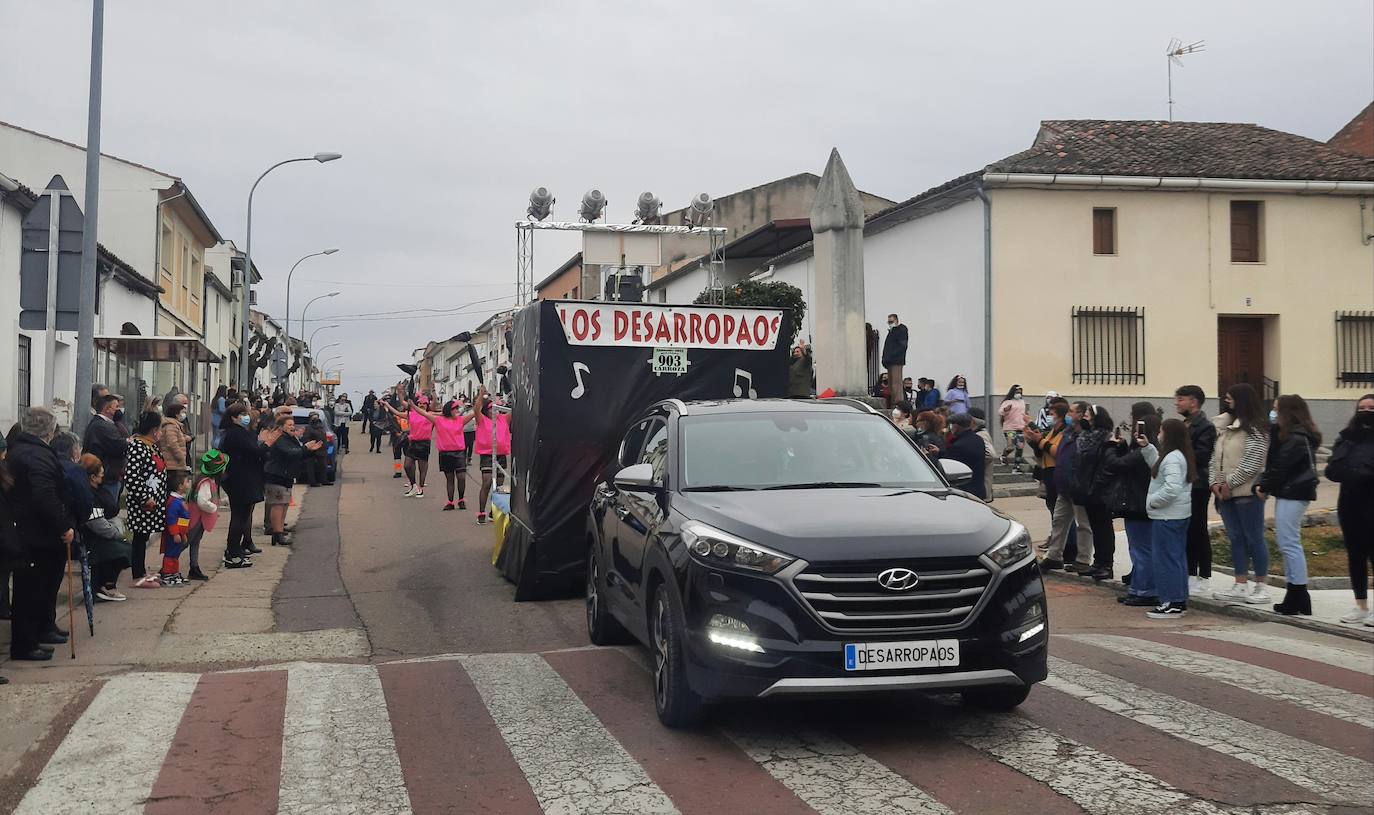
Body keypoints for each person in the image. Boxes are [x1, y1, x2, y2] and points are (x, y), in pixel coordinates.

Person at [6, 407, 76, 661]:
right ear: (49, 431)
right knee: (30, 590)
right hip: (34, 533)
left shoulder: (31, 451)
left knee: (45, 585)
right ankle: (25, 644)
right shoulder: (34, 455)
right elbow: (44, 495)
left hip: (38, 532)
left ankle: (44, 628)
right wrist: (63, 526)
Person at [1256, 394, 1321, 616]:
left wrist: (1263, 485)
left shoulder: (1295, 438)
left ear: (1287, 412)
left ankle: (1298, 593)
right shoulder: (1293, 435)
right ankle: (1297, 595)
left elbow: (1280, 466)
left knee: (1290, 544)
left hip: (1293, 492)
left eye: (1276, 409)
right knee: (1289, 543)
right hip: (1292, 492)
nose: (1272, 413)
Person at [1210, 383, 1271, 605]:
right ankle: (1240, 584)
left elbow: (1253, 462)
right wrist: (1214, 483)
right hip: (1224, 494)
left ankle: (1262, 586)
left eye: (1229, 398)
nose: (1226, 401)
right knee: (1236, 539)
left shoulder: (1256, 428)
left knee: (1254, 539)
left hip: (1246, 493)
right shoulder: (1225, 427)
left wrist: (1229, 483)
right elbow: (1214, 458)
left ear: (1242, 400)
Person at [1101, 403, 1162, 605]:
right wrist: (1122, 447)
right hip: (1141, 503)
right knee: (1140, 548)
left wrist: (1111, 447)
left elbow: (1117, 464)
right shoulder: (1148, 450)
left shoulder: (1146, 451)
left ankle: (1146, 591)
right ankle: (1139, 587)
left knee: (1141, 549)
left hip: (1138, 504)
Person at [1139, 418, 1198, 619]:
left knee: (1166, 560)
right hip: (1176, 515)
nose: (1158, 434)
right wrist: (1147, 448)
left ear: (1169, 434)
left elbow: (1171, 487)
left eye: (1162, 431)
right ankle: (1178, 600)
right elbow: (1160, 468)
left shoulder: (1173, 457)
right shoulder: (1176, 455)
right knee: (1176, 558)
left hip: (1167, 517)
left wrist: (1153, 502)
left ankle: (1172, 601)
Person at [1326, 394, 1374, 626]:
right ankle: (1361, 605)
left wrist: (1359, 472)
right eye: (1362, 407)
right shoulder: (1347, 437)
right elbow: (1332, 469)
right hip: (1349, 503)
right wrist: (1354, 472)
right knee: (1355, 556)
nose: (1366, 411)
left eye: (1371, 407)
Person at [1174, 385, 1218, 597]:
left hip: (1198, 484)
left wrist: (1178, 448)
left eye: (1181, 399)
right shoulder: (1185, 424)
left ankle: (1205, 575)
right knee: (1187, 530)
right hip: (1184, 483)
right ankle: (1190, 573)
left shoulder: (1205, 427)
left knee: (1198, 529)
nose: (1177, 403)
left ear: (1193, 401)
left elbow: (1202, 455)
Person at [1068, 404, 1118, 581]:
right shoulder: (1084, 436)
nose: (1085, 417)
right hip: (1085, 489)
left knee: (1104, 528)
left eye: (1088, 414)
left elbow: (1108, 466)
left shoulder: (1107, 438)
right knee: (1095, 527)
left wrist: (1097, 484)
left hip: (1100, 490)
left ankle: (1106, 564)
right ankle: (1098, 563)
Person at [1027, 399, 1078, 568]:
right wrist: (1034, 442)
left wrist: (1040, 441)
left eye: (1052, 413)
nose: (1049, 416)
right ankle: (1056, 552)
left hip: (1058, 473)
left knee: (1064, 517)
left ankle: (1070, 551)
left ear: (1061, 415)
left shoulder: (1066, 432)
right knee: (1056, 516)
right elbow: (1044, 450)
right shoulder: (1052, 431)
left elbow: (1057, 451)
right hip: (1048, 473)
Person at [217, 402, 265, 568]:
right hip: (239, 480)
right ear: (233, 418)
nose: (246, 417)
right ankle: (233, 552)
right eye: (242, 415)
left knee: (241, 516)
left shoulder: (238, 432)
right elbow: (254, 450)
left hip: (240, 479)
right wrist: (266, 444)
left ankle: (235, 550)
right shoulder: (235, 434)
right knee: (239, 517)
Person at [125, 411, 169, 589]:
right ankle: (138, 575)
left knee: (143, 537)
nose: (161, 432)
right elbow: (132, 476)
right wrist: (145, 497)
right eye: (160, 428)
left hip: (153, 501)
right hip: (143, 503)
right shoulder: (137, 446)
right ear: (153, 429)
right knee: (139, 537)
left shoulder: (150, 445)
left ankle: (142, 572)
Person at [263, 414, 320, 546]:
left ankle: (280, 529)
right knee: (278, 504)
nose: (292, 427)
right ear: (281, 427)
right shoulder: (281, 439)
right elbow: (291, 453)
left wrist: (309, 451)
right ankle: (276, 533)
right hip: (276, 475)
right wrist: (306, 448)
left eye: (293, 425)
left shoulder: (291, 438)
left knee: (284, 503)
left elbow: (298, 454)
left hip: (286, 475)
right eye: (289, 425)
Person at [78, 454, 130, 601]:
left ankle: (106, 585)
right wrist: (117, 534)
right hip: (94, 536)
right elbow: (96, 523)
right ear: (92, 477)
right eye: (100, 474)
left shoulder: (99, 489)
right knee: (121, 550)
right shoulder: (89, 494)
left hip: (104, 531)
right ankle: (105, 586)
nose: (103, 476)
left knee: (123, 547)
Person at [410, 398, 470, 511]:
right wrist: (413, 405)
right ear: (449, 410)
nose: (457, 410)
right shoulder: (438, 420)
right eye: (455, 408)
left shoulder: (461, 420)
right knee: (450, 479)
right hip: (445, 454)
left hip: (459, 453)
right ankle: (450, 501)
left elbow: (475, 413)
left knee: (461, 477)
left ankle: (461, 499)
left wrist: (481, 399)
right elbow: (423, 413)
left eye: (458, 408)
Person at [185, 450, 228, 582]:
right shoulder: (205, 483)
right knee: (186, 542)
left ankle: (194, 567)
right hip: (196, 518)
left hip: (199, 518)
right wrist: (213, 508)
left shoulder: (205, 479)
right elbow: (202, 502)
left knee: (194, 542)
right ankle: (168, 567)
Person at [83, 392, 128, 505]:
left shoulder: (102, 424)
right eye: (116, 407)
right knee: (109, 508)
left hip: (107, 474)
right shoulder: (102, 426)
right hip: (107, 476)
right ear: (107, 409)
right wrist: (128, 442)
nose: (119, 410)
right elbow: (118, 445)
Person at [472, 387, 509, 524]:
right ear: (486, 410)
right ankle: (481, 512)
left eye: (496, 408)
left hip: (500, 455)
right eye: (491, 409)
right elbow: (476, 409)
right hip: (487, 455)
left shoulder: (503, 418)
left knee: (499, 486)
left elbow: (515, 409)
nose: (494, 411)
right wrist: (481, 396)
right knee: (487, 482)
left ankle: (494, 512)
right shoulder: (481, 419)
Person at [385, 395, 433, 497]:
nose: (422, 405)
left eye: (424, 403)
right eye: (420, 403)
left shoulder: (430, 414)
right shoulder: (411, 414)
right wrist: (387, 404)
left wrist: (434, 394)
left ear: (427, 405)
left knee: (422, 467)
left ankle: (420, 488)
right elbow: (397, 413)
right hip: (413, 442)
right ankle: (413, 485)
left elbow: (441, 413)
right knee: (407, 465)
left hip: (424, 443)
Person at [932, 413, 987, 499]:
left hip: (965, 490)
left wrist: (928, 456)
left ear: (956, 426)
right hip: (978, 488)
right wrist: (939, 453)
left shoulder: (959, 445)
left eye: (952, 424)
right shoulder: (977, 439)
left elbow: (949, 463)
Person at [157, 471, 192, 586]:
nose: (189, 483)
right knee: (170, 555)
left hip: (180, 533)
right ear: (180, 486)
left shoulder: (179, 500)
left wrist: (184, 534)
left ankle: (174, 573)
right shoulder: (174, 503)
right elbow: (171, 519)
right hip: (174, 535)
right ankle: (167, 574)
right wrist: (176, 533)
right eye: (187, 482)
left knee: (175, 555)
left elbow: (182, 519)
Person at [968, 407, 998, 503]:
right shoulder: (978, 434)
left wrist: (976, 461)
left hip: (982, 482)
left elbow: (991, 454)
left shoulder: (981, 435)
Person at [159, 400, 192, 488]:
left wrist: (184, 438)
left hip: (174, 463)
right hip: (173, 464)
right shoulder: (171, 425)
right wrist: (181, 456)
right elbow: (171, 443)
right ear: (176, 414)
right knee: (174, 488)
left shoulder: (175, 425)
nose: (184, 415)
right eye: (182, 412)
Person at [998, 385, 1028, 474]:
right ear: (1013, 392)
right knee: (1011, 446)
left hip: (1021, 427)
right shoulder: (1007, 402)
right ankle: (1004, 456)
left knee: (1020, 446)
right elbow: (1000, 412)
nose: (1018, 394)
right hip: (1010, 428)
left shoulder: (1022, 402)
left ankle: (1016, 467)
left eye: (1020, 392)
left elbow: (1024, 413)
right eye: (1017, 392)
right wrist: (1005, 409)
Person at [881, 314, 907, 408]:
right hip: (890, 361)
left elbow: (902, 346)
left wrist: (890, 356)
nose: (890, 323)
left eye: (891, 321)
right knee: (891, 384)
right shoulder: (892, 331)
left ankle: (898, 404)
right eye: (889, 322)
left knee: (896, 384)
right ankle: (893, 403)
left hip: (896, 360)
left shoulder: (901, 330)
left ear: (896, 320)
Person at [301, 413, 330, 487]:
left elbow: (324, 437)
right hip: (312, 450)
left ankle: (324, 480)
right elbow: (306, 438)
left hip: (321, 449)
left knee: (323, 466)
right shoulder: (308, 428)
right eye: (314, 418)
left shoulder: (321, 426)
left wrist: (325, 446)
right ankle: (312, 482)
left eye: (317, 417)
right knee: (311, 467)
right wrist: (311, 446)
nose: (316, 419)